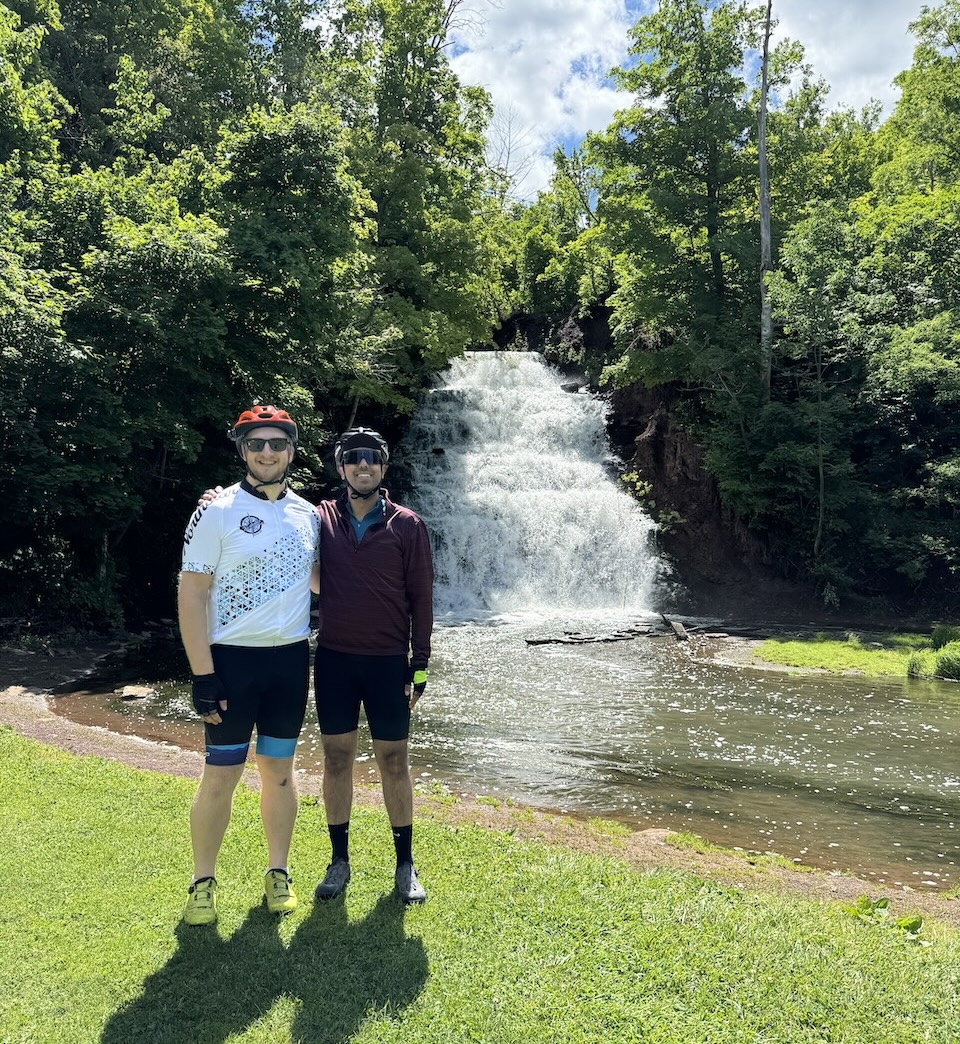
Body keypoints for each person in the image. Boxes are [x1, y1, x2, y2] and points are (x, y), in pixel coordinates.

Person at [178, 404, 319, 926]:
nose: (267, 452)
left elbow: (324, 582)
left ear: (290, 450)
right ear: (242, 450)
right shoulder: (215, 511)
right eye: (256, 444)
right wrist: (202, 674)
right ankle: (202, 882)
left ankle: (278, 872)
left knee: (279, 774)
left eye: (277, 444)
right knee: (221, 775)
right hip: (231, 663)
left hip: (288, 664)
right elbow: (192, 595)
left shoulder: (309, 515)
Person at [312, 426, 434, 905]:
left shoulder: (408, 525)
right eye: (354, 458)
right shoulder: (317, 518)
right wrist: (216, 496)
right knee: (337, 759)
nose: (363, 466)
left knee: (395, 761)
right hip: (335, 661)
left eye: (373, 459)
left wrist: (418, 665)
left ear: (383, 468)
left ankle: (405, 866)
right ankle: (338, 860)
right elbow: (269, 510)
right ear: (341, 467)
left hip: (388, 663)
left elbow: (422, 600)